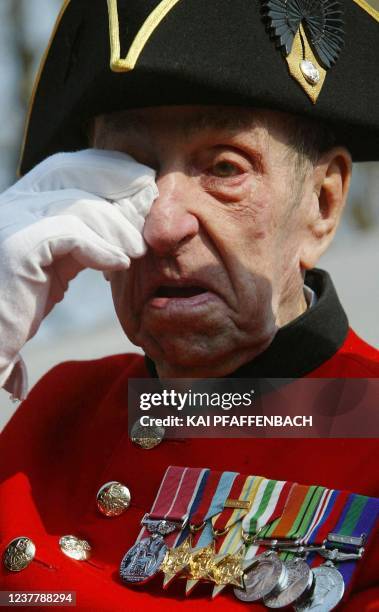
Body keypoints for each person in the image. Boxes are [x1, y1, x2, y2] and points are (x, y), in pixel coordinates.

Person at [1, 0, 379, 609]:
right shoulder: (57, 410)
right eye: (127, 170)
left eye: (224, 167)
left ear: (323, 204)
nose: (162, 223)